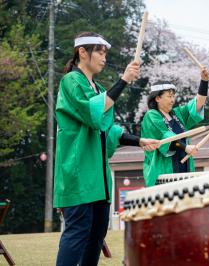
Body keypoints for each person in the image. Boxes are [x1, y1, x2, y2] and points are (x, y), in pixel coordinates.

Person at [54, 31, 159, 266]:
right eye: (99, 52)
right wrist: (123, 81)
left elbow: (107, 128)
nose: (103, 58)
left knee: (96, 235)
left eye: (105, 53)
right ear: (82, 52)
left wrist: (138, 140)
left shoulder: (98, 87)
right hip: (78, 171)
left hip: (99, 177)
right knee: (77, 232)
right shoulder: (71, 81)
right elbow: (92, 113)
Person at [141, 67, 209, 187]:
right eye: (169, 96)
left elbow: (197, 104)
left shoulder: (178, 114)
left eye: (173, 96)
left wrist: (204, 81)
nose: (173, 100)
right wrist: (185, 147)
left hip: (184, 168)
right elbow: (165, 140)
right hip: (163, 171)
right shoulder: (151, 116)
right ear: (157, 98)